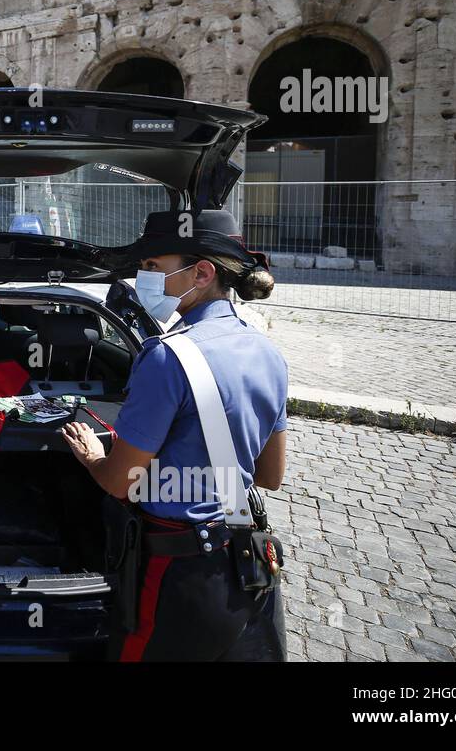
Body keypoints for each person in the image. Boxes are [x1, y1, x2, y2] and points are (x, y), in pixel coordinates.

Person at [58, 209, 289, 662]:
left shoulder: (167, 358)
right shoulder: (267, 352)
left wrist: (91, 455)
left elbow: (119, 482)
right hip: (241, 565)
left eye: (151, 267)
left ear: (201, 273)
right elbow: (271, 475)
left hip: (175, 572)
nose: (142, 279)